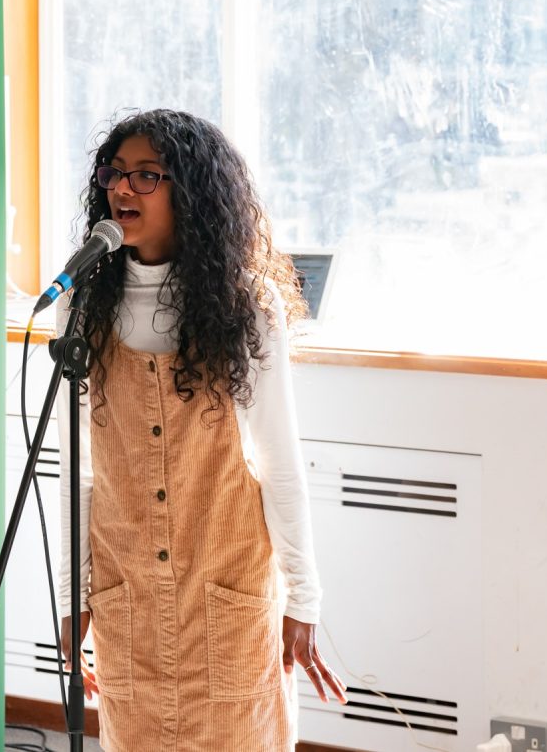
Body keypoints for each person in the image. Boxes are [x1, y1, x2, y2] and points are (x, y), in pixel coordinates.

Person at [55, 109, 346, 751]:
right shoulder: (81, 304)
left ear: (191, 192)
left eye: (146, 175)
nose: (122, 188)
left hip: (228, 589)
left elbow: (279, 462)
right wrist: (72, 595)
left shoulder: (247, 305)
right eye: (114, 173)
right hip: (127, 591)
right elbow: (79, 472)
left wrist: (303, 597)